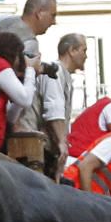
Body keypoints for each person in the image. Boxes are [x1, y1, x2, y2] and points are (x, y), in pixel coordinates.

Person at [39, 32, 87, 180]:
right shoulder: (56, 71)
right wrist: (61, 143)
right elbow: (54, 108)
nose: (86, 56)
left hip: (48, 147)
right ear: (72, 51)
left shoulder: (62, 74)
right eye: (84, 50)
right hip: (44, 147)